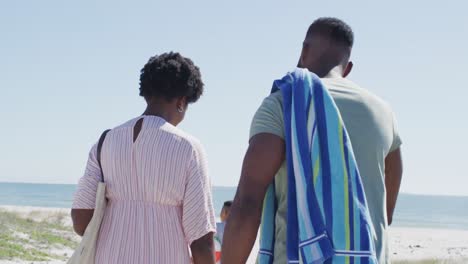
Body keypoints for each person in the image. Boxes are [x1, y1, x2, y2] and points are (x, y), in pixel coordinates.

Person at [222, 17, 403, 264]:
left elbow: (246, 205)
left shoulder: (283, 104)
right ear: (348, 68)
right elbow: (385, 213)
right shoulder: (383, 112)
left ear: (304, 51)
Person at [71, 52, 216, 264]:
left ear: (147, 94)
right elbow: (201, 239)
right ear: (182, 101)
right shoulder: (188, 148)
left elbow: (81, 221)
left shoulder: (106, 141)